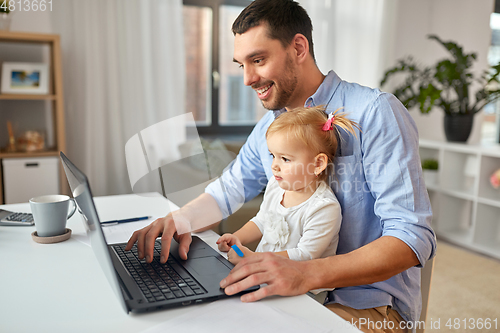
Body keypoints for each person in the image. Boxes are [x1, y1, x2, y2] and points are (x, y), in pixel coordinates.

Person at [126, 0, 436, 332]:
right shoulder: (270, 128)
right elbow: (229, 189)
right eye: (241, 64)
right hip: (292, 294)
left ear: (298, 48)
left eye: (258, 60)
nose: (247, 79)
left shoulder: (374, 113)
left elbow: (412, 235)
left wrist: (306, 273)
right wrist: (179, 220)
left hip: (366, 305)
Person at [216, 106, 358, 266]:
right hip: (266, 274)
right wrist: (238, 238)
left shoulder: (323, 207)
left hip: (303, 286)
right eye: (272, 156)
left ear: (318, 164)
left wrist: (254, 259)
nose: (274, 166)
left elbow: (306, 255)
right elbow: (262, 221)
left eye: (285, 159)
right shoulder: (275, 187)